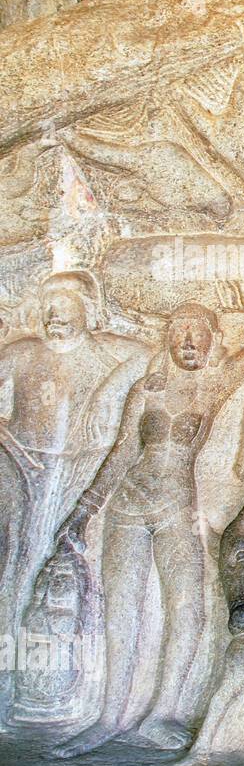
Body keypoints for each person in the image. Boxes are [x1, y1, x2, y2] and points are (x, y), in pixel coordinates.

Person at [50, 285, 244, 758]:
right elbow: (121, 454)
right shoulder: (146, 390)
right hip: (128, 506)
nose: (189, 341)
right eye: (180, 332)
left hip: (176, 505)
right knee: (122, 610)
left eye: (199, 333)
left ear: (213, 340)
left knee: (188, 606)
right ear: (168, 339)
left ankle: (162, 712)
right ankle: (110, 716)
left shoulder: (212, 385)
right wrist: (83, 511)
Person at [0, 270, 149, 721]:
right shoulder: (21, 354)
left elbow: (153, 355)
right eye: (48, 308)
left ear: (89, 311)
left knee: (79, 577)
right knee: (19, 570)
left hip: (85, 472)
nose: (54, 317)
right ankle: (14, 684)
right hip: (29, 475)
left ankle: (78, 686)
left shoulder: (109, 351)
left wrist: (110, 386)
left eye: (64, 307)